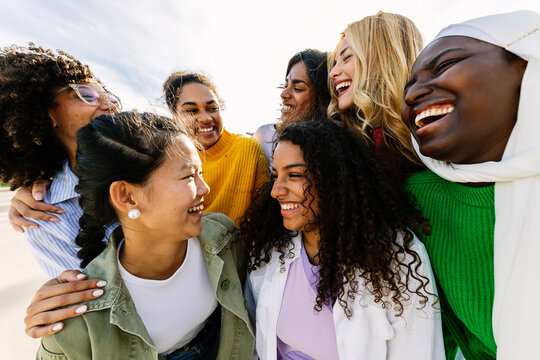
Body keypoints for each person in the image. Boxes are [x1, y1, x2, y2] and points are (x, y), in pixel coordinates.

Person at [37, 111, 254, 359]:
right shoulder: (74, 320)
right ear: (127, 197)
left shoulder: (223, 237)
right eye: (188, 176)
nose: (205, 188)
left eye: (200, 173)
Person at [242, 120, 444, 359]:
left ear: (334, 180)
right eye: (275, 175)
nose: (276, 190)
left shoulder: (396, 257)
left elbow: (419, 351)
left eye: (294, 175)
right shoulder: (269, 251)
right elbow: (255, 341)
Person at [401, 10, 539, 360]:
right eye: (408, 86)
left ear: (526, 67)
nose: (414, 94)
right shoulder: (417, 198)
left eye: (446, 65)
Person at [0, 44, 121, 277]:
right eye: (86, 95)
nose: (108, 105)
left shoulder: (163, 155)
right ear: (49, 114)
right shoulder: (45, 218)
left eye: (110, 97)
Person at [328, 11, 425, 182]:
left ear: (384, 58)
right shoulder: (351, 146)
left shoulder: (430, 132)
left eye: (347, 57)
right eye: (335, 62)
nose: (333, 73)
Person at [163, 71, 269, 226]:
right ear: (174, 117)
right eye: (192, 110)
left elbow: (265, 216)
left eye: (212, 108)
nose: (206, 118)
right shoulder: (168, 160)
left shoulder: (247, 148)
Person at [254, 49, 331, 168]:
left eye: (298, 88)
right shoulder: (265, 136)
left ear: (322, 96)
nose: (283, 94)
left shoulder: (334, 148)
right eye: (285, 85)